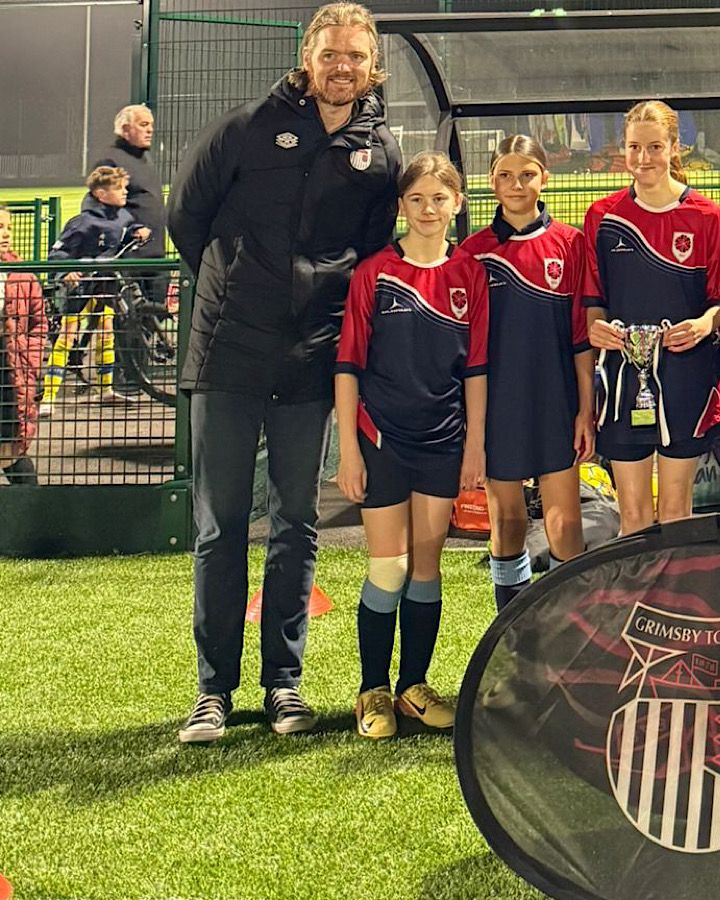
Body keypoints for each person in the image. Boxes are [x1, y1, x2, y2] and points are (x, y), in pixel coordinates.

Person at [168, 1, 401, 743]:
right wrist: (235, 289)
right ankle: (213, 692)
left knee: (296, 526)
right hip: (229, 354)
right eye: (330, 54)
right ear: (309, 57)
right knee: (221, 526)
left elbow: (368, 263)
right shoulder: (244, 128)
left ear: (373, 68)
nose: (342, 67)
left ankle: (283, 686)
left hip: (311, 364)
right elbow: (186, 219)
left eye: (355, 57)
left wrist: (326, 331)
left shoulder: (381, 157)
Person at [335, 151, 487, 739]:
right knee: (389, 567)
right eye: (417, 199)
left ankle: (413, 688)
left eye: (439, 198)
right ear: (401, 206)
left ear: (457, 205)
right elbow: (347, 364)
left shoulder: (469, 274)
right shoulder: (376, 272)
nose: (428, 209)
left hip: (443, 442)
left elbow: (476, 368)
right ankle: (371, 690)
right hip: (381, 441)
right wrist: (349, 447)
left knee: (427, 569)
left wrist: (474, 445)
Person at [460, 136, 595, 610]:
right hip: (501, 403)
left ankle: (568, 629)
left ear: (545, 178)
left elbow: (582, 337)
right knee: (509, 521)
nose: (516, 184)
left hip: (556, 399)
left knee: (565, 524)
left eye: (527, 174)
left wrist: (586, 409)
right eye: (504, 175)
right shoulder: (472, 254)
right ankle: (512, 630)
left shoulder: (571, 244)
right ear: (491, 181)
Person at [583, 100, 720, 536]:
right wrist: (599, 328)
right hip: (623, 377)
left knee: (677, 511)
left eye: (654, 147)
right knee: (633, 516)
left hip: (686, 375)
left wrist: (705, 325)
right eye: (634, 147)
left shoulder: (706, 216)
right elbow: (594, 300)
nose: (643, 158)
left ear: (674, 147)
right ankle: (637, 604)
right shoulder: (602, 216)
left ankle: (676, 603)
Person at [40, 165, 148, 414]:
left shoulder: (123, 216)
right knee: (68, 336)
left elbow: (127, 231)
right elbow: (57, 253)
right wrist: (67, 271)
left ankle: (106, 390)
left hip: (106, 284)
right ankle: (48, 397)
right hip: (82, 287)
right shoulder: (82, 222)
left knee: (106, 334)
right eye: (118, 188)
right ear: (100, 194)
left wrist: (140, 231)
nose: (125, 192)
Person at [88, 104, 168, 395]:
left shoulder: (144, 161)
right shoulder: (111, 159)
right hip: (130, 256)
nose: (150, 129)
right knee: (129, 320)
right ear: (125, 129)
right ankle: (125, 380)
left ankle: (139, 379)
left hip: (154, 255)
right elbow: (98, 206)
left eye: (150, 124)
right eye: (143, 124)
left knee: (150, 318)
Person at [1, 207, 48, 483]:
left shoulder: (22, 275)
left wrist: (29, 362)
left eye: (8, 227)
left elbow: (38, 324)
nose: (6, 233)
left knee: (15, 456)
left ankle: (33, 520)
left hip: (9, 375)